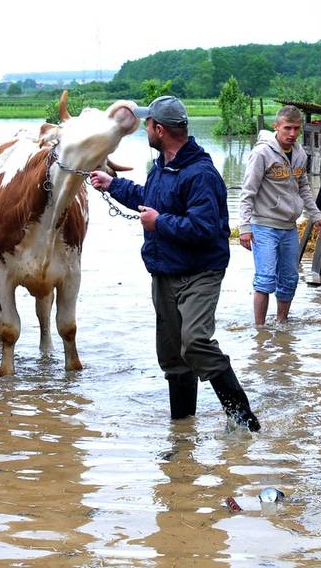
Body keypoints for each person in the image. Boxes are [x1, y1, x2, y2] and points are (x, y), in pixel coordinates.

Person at [90, 96, 260, 431]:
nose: (145, 130)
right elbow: (150, 200)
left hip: (200, 272)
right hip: (165, 272)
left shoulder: (201, 174)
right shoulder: (162, 167)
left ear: (160, 130)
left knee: (195, 341)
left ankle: (243, 420)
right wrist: (113, 185)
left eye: (148, 125)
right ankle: (182, 431)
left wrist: (159, 223)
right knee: (172, 356)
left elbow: (205, 228)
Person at [239, 105, 321, 326]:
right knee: (265, 278)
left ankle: (282, 324)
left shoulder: (300, 153)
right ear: (276, 126)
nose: (292, 133)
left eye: (296, 128)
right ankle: (259, 329)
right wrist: (244, 228)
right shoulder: (262, 153)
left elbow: (303, 187)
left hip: (289, 227)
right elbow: (248, 191)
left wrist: (316, 216)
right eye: (287, 128)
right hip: (264, 225)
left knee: (289, 278)